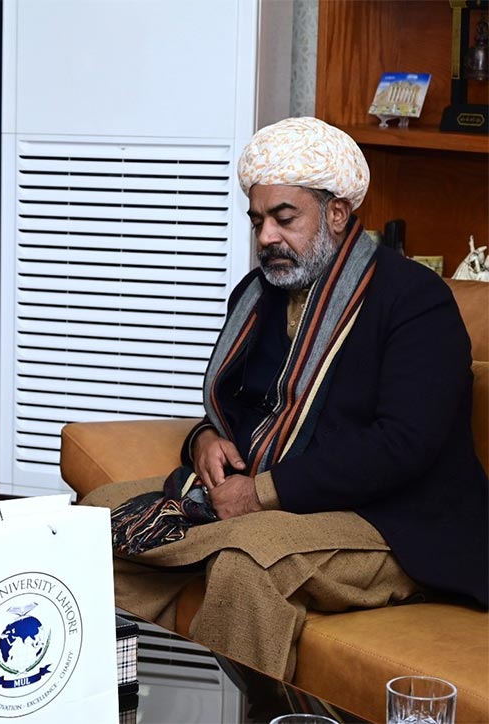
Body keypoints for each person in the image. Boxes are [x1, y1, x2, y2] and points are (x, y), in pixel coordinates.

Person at [81, 117, 488, 682]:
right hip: (289, 501)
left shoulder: (416, 302)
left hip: (393, 522)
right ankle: (110, 700)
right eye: (257, 220)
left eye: (284, 217)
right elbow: (244, 407)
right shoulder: (261, 293)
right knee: (92, 519)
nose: (266, 236)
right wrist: (204, 440)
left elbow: (404, 445)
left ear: (338, 213)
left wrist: (263, 493)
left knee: (247, 558)